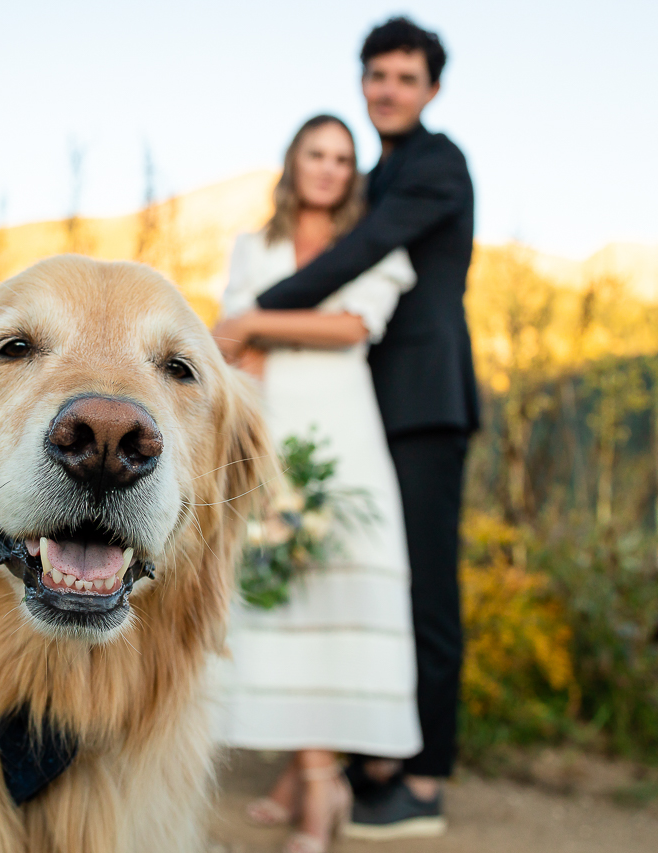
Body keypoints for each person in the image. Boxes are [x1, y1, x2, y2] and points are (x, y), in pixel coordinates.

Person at [216, 16, 478, 840]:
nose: (390, 89)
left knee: (423, 586)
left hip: (424, 398)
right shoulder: (383, 170)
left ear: (431, 87)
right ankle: (360, 763)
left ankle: (423, 778)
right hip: (375, 400)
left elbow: (356, 258)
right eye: (378, 75)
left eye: (406, 77)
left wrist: (255, 317)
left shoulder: (434, 166)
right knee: (344, 566)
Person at [212, 113, 421, 853]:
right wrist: (249, 430)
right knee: (276, 588)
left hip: (343, 428)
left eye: (342, 157)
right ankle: (305, 773)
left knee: (334, 583)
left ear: (352, 172)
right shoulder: (254, 247)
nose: (329, 168)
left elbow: (353, 326)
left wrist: (260, 320)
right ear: (293, 161)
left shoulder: (366, 248)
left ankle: (321, 789)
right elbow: (233, 344)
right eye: (316, 154)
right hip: (276, 423)